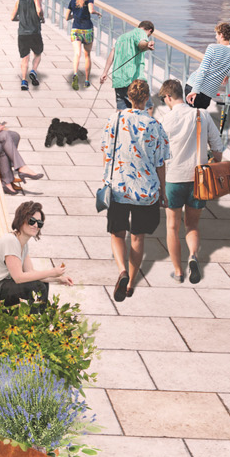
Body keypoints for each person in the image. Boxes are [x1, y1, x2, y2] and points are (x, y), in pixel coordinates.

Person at [98, 79, 167, 302]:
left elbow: (105, 151)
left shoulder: (115, 118)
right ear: (147, 98)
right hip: (145, 191)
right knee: (138, 238)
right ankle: (130, 284)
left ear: (129, 96)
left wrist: (107, 176)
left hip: (119, 186)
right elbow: (160, 162)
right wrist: (163, 191)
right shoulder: (155, 125)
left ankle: (122, 272)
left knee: (117, 233)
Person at [156, 80, 224, 283]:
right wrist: (215, 161)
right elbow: (218, 147)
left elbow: (157, 153)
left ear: (168, 97)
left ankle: (177, 271)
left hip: (174, 179)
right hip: (199, 178)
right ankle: (193, 256)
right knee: (192, 226)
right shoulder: (201, 114)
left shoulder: (165, 121)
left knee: (172, 227)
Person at [0, 200, 72, 305]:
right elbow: (18, 277)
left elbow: (30, 272)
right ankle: (35, 319)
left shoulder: (22, 243)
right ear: (21, 219)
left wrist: (58, 279)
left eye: (39, 223)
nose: (36, 225)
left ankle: (36, 318)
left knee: (42, 283)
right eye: (32, 221)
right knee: (37, 287)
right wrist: (52, 272)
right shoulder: (11, 241)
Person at [193, 21, 230, 115]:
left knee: (191, 117)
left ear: (221, 35)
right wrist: (227, 73)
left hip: (197, 86)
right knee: (200, 119)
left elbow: (203, 70)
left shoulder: (212, 48)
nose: (216, 37)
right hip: (209, 92)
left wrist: (195, 90)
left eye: (217, 35)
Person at [109, 19, 155, 110]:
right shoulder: (140, 32)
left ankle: (119, 124)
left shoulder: (122, 37)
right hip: (133, 80)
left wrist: (105, 72)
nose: (148, 36)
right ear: (150, 30)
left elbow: (112, 53)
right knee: (147, 107)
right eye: (149, 35)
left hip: (118, 79)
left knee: (121, 110)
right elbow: (141, 43)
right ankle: (145, 124)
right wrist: (147, 45)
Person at [11, 0, 47, 90]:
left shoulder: (19, 0)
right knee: (38, 53)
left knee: (24, 58)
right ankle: (34, 71)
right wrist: (41, 17)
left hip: (22, 33)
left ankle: (24, 81)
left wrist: (21, 19)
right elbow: (39, 10)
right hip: (34, 32)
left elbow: (12, 17)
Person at [66, 0, 98, 80]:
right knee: (87, 55)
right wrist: (98, 13)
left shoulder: (73, 0)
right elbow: (91, 10)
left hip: (76, 29)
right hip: (87, 29)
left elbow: (67, 17)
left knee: (77, 53)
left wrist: (75, 15)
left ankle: (75, 73)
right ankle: (87, 79)